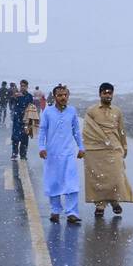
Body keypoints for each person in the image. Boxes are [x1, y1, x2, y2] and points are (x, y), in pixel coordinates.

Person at [83, 82, 133, 218]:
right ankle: (100, 205)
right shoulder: (92, 111)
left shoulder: (117, 111)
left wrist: (124, 146)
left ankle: (114, 201)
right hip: (96, 149)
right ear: (100, 94)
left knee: (116, 177)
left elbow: (121, 130)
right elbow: (87, 131)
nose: (107, 95)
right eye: (105, 92)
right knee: (98, 179)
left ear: (112, 94)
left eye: (110, 92)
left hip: (114, 148)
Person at [37, 84, 84, 224]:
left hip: (68, 154)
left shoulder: (72, 111)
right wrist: (41, 147)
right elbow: (42, 131)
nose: (63, 97)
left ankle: (72, 213)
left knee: (71, 183)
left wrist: (81, 147)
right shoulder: (48, 112)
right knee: (54, 183)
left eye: (65, 95)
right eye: (60, 95)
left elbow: (76, 130)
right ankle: (55, 211)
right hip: (52, 154)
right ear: (55, 97)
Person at [8, 79, 33, 160]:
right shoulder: (16, 95)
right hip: (17, 118)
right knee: (15, 137)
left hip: (26, 119)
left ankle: (23, 154)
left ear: (27, 87)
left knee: (25, 137)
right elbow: (11, 104)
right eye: (21, 86)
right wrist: (14, 97)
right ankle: (14, 153)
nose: (22, 87)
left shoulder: (29, 96)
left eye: (24, 86)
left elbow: (31, 107)